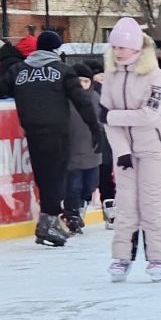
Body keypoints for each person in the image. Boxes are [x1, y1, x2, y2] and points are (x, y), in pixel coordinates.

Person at [0, 29, 98, 248]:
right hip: (57, 133)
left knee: (44, 178)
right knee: (56, 179)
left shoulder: (18, 70)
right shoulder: (63, 71)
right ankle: (48, 224)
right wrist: (95, 128)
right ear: (55, 49)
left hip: (33, 132)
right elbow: (83, 102)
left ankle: (47, 222)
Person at [95, 19, 161, 279]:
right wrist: (121, 151)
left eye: (123, 47)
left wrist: (113, 117)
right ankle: (121, 258)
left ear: (136, 48)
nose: (118, 52)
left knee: (151, 203)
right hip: (125, 151)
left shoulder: (155, 74)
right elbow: (104, 118)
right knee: (126, 204)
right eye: (114, 47)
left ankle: (157, 258)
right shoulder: (111, 75)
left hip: (154, 147)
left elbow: (149, 115)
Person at [62, 63, 107, 236]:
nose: (82, 85)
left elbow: (103, 119)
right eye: (78, 81)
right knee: (74, 185)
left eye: (86, 81)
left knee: (90, 185)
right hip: (72, 150)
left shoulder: (95, 98)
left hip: (92, 149)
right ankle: (73, 214)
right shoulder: (65, 100)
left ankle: (81, 208)